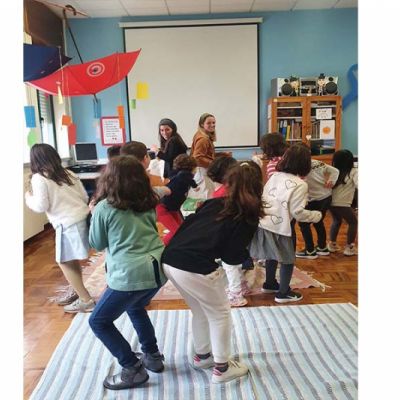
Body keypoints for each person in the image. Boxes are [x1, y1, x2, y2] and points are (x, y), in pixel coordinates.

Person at [162, 161, 265, 384]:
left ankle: (202, 356)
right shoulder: (247, 214)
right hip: (193, 265)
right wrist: (247, 259)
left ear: (229, 182)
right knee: (220, 313)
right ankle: (222, 368)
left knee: (200, 310)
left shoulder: (213, 203)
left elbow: (188, 227)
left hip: (170, 259)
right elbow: (231, 256)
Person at [88, 155, 167, 391]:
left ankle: (132, 367)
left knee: (98, 321)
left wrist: (93, 213)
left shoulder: (104, 207)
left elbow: (97, 243)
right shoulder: (148, 201)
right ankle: (152, 355)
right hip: (158, 269)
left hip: (130, 274)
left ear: (109, 179)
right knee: (135, 307)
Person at [25, 143, 95, 313]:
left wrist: (28, 197)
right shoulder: (68, 173)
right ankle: (77, 290)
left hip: (67, 223)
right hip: (83, 218)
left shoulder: (39, 178)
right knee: (71, 259)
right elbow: (84, 196)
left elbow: (41, 206)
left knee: (63, 261)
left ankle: (86, 300)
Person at [249, 144, 322, 303]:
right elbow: (298, 213)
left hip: (264, 222)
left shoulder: (274, 176)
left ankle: (269, 284)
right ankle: (283, 293)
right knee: (288, 259)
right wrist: (315, 216)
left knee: (271, 255)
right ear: (305, 164)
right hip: (281, 228)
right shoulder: (301, 184)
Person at [207, 155, 251, 307]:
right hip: (239, 232)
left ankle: (236, 294)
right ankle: (242, 286)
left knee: (230, 265)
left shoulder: (224, 192)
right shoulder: (237, 189)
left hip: (229, 233)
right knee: (234, 262)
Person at [296, 158, 339, 259]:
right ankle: (322, 247)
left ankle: (310, 251)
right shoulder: (316, 162)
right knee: (318, 222)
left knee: (303, 223)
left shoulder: (300, 165)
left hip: (315, 199)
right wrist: (332, 180)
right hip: (326, 196)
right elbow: (335, 171)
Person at [156, 154, 198, 245]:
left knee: (181, 230)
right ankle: (162, 247)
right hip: (163, 209)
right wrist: (195, 186)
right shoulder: (183, 176)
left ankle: (173, 246)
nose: (196, 170)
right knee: (176, 232)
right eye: (196, 168)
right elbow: (186, 176)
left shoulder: (178, 177)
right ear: (191, 168)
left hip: (171, 208)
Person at [328, 149, 358, 256]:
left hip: (330, 202)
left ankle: (332, 244)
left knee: (337, 221)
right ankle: (349, 247)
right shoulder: (354, 171)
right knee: (353, 222)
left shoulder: (333, 170)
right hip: (343, 203)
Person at [189, 113, 217, 199]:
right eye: (208, 123)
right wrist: (214, 163)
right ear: (202, 124)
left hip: (202, 171)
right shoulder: (203, 139)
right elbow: (197, 158)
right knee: (207, 197)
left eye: (213, 122)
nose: (212, 125)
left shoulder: (202, 135)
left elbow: (205, 154)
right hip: (203, 172)